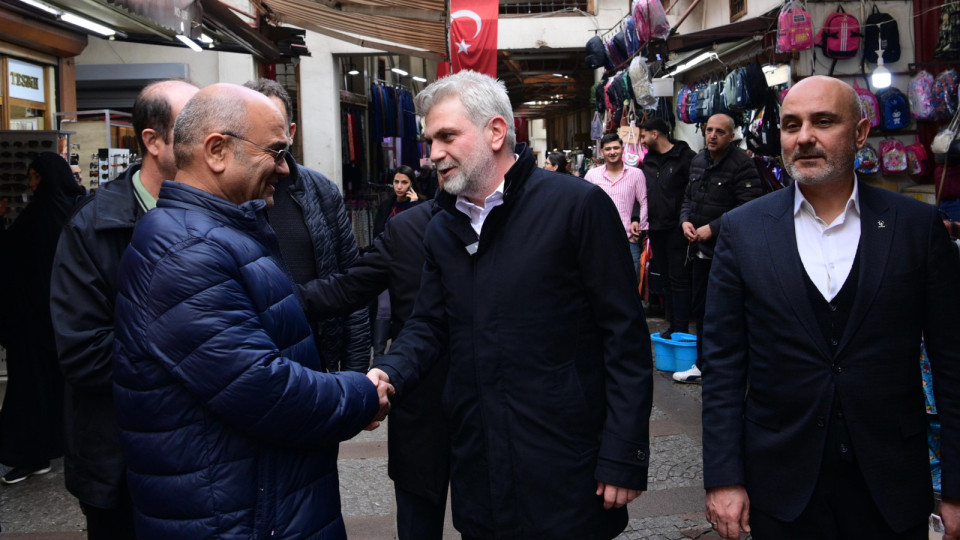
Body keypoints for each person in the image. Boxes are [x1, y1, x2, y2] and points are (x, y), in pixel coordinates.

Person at [366, 70, 653, 539]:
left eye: (447, 137)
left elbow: (625, 339)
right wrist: (388, 373)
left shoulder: (577, 206)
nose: (433, 153)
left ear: (496, 132)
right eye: (430, 140)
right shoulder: (442, 228)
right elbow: (429, 325)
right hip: (480, 469)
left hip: (566, 467)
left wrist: (624, 453)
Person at [111, 83, 390, 538]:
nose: (284, 167)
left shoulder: (217, 233)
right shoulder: (188, 252)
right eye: (276, 152)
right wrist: (361, 392)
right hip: (237, 516)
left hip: (256, 502)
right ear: (217, 151)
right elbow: (264, 389)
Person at [701, 75, 960, 540]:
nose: (804, 138)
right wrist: (723, 477)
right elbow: (722, 364)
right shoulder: (743, 230)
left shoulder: (915, 227)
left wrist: (956, 486)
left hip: (890, 482)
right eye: (792, 125)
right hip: (781, 482)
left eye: (823, 122)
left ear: (860, 133)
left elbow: (953, 361)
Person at [50, 79, 198, 537]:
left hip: (203, 462)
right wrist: (199, 348)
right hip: (120, 469)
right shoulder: (91, 228)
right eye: (193, 127)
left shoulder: (221, 212)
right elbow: (83, 353)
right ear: (153, 141)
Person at [298, 187, 449, 540]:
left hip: (492, 410)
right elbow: (347, 288)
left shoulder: (518, 221)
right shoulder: (407, 228)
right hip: (419, 401)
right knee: (418, 521)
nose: (440, 159)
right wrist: (273, 299)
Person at [244, 78, 370, 373]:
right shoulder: (227, 196)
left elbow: (351, 284)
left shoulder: (321, 191)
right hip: (253, 366)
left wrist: (355, 374)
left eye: (273, 127)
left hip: (317, 363)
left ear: (290, 132)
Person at [0, 152, 84, 484]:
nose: (32, 184)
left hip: (33, 324)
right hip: (69, 320)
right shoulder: (77, 210)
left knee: (30, 389)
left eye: (35, 177)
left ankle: (30, 454)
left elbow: (11, 262)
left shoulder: (36, 218)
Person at [673, 113, 762, 384]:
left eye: (719, 132)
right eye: (709, 130)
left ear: (731, 136)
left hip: (727, 253)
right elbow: (687, 198)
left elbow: (749, 207)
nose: (712, 135)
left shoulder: (742, 164)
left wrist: (713, 228)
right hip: (698, 252)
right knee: (702, 309)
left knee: (727, 311)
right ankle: (703, 365)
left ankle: (733, 369)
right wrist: (685, 221)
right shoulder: (698, 160)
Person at [640, 118, 696, 339]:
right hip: (656, 228)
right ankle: (672, 326)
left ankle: (681, 328)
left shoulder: (686, 157)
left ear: (655, 134)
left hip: (678, 228)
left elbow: (692, 193)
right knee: (665, 280)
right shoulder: (648, 160)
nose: (641, 141)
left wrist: (686, 219)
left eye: (643, 135)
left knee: (679, 279)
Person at [583, 132, 648, 274]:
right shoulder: (592, 175)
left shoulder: (636, 174)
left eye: (616, 148)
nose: (612, 152)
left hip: (628, 239)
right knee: (600, 279)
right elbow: (583, 206)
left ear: (622, 149)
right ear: (602, 152)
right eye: (608, 149)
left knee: (632, 278)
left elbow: (644, 202)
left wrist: (640, 228)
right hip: (598, 239)